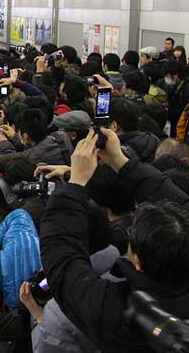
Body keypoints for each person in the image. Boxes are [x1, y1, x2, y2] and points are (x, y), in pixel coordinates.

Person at [40, 129, 189, 353]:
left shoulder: (118, 314)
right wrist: (120, 162)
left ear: (138, 262)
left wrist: (76, 183)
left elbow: (62, 261)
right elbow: (182, 204)